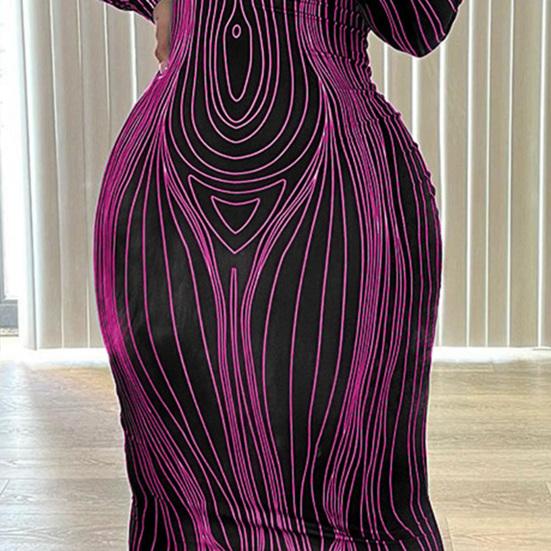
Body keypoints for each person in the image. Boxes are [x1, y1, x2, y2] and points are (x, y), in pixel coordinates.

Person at [93, 0, 464, 548]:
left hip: (329, 201)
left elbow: (419, 23)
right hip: (177, 198)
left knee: (352, 494)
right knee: (182, 505)